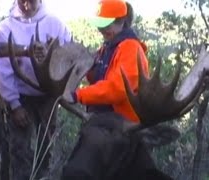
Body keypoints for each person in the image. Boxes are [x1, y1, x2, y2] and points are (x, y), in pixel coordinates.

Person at [62, 0, 173, 179]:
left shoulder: (130, 48)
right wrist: (85, 68)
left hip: (120, 131)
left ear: (121, 21)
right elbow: (101, 77)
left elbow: (117, 88)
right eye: (100, 27)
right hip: (103, 124)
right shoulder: (108, 47)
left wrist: (78, 95)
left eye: (107, 25)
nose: (103, 31)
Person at [0, 0, 71, 179]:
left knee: (46, 148)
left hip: (48, 96)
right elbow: (2, 70)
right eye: (22, 1)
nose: (27, 5)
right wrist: (14, 104)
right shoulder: (4, 29)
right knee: (19, 150)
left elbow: (68, 56)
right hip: (21, 98)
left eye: (32, 0)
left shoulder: (55, 24)